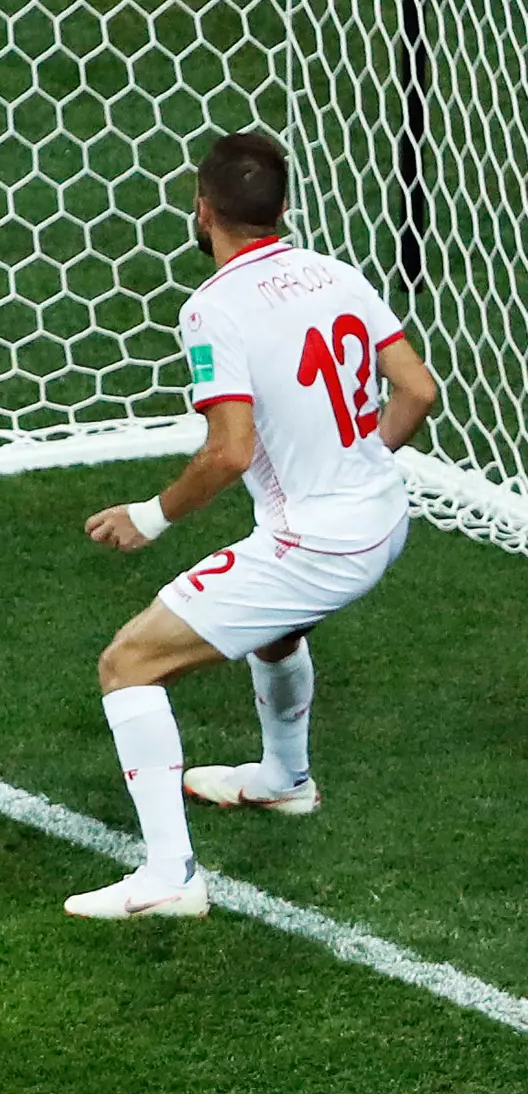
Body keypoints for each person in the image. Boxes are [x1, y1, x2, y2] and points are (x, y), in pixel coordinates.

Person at [65, 131, 440, 919]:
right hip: (383, 515)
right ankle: (284, 780)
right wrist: (353, 460)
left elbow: (230, 451)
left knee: (128, 664)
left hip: (318, 544)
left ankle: (170, 877)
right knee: (273, 629)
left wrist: (151, 515)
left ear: (202, 211)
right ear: (282, 209)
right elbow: (418, 391)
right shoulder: (336, 273)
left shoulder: (213, 309)